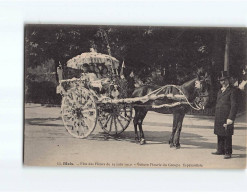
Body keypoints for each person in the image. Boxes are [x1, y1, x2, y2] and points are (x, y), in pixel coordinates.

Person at [212, 71, 238, 159]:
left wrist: (231, 118)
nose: (222, 82)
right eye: (221, 80)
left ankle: (228, 152)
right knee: (219, 133)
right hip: (219, 115)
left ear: (228, 80)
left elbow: (234, 105)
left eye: (224, 80)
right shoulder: (220, 91)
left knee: (227, 134)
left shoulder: (232, 91)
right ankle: (220, 150)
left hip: (227, 116)